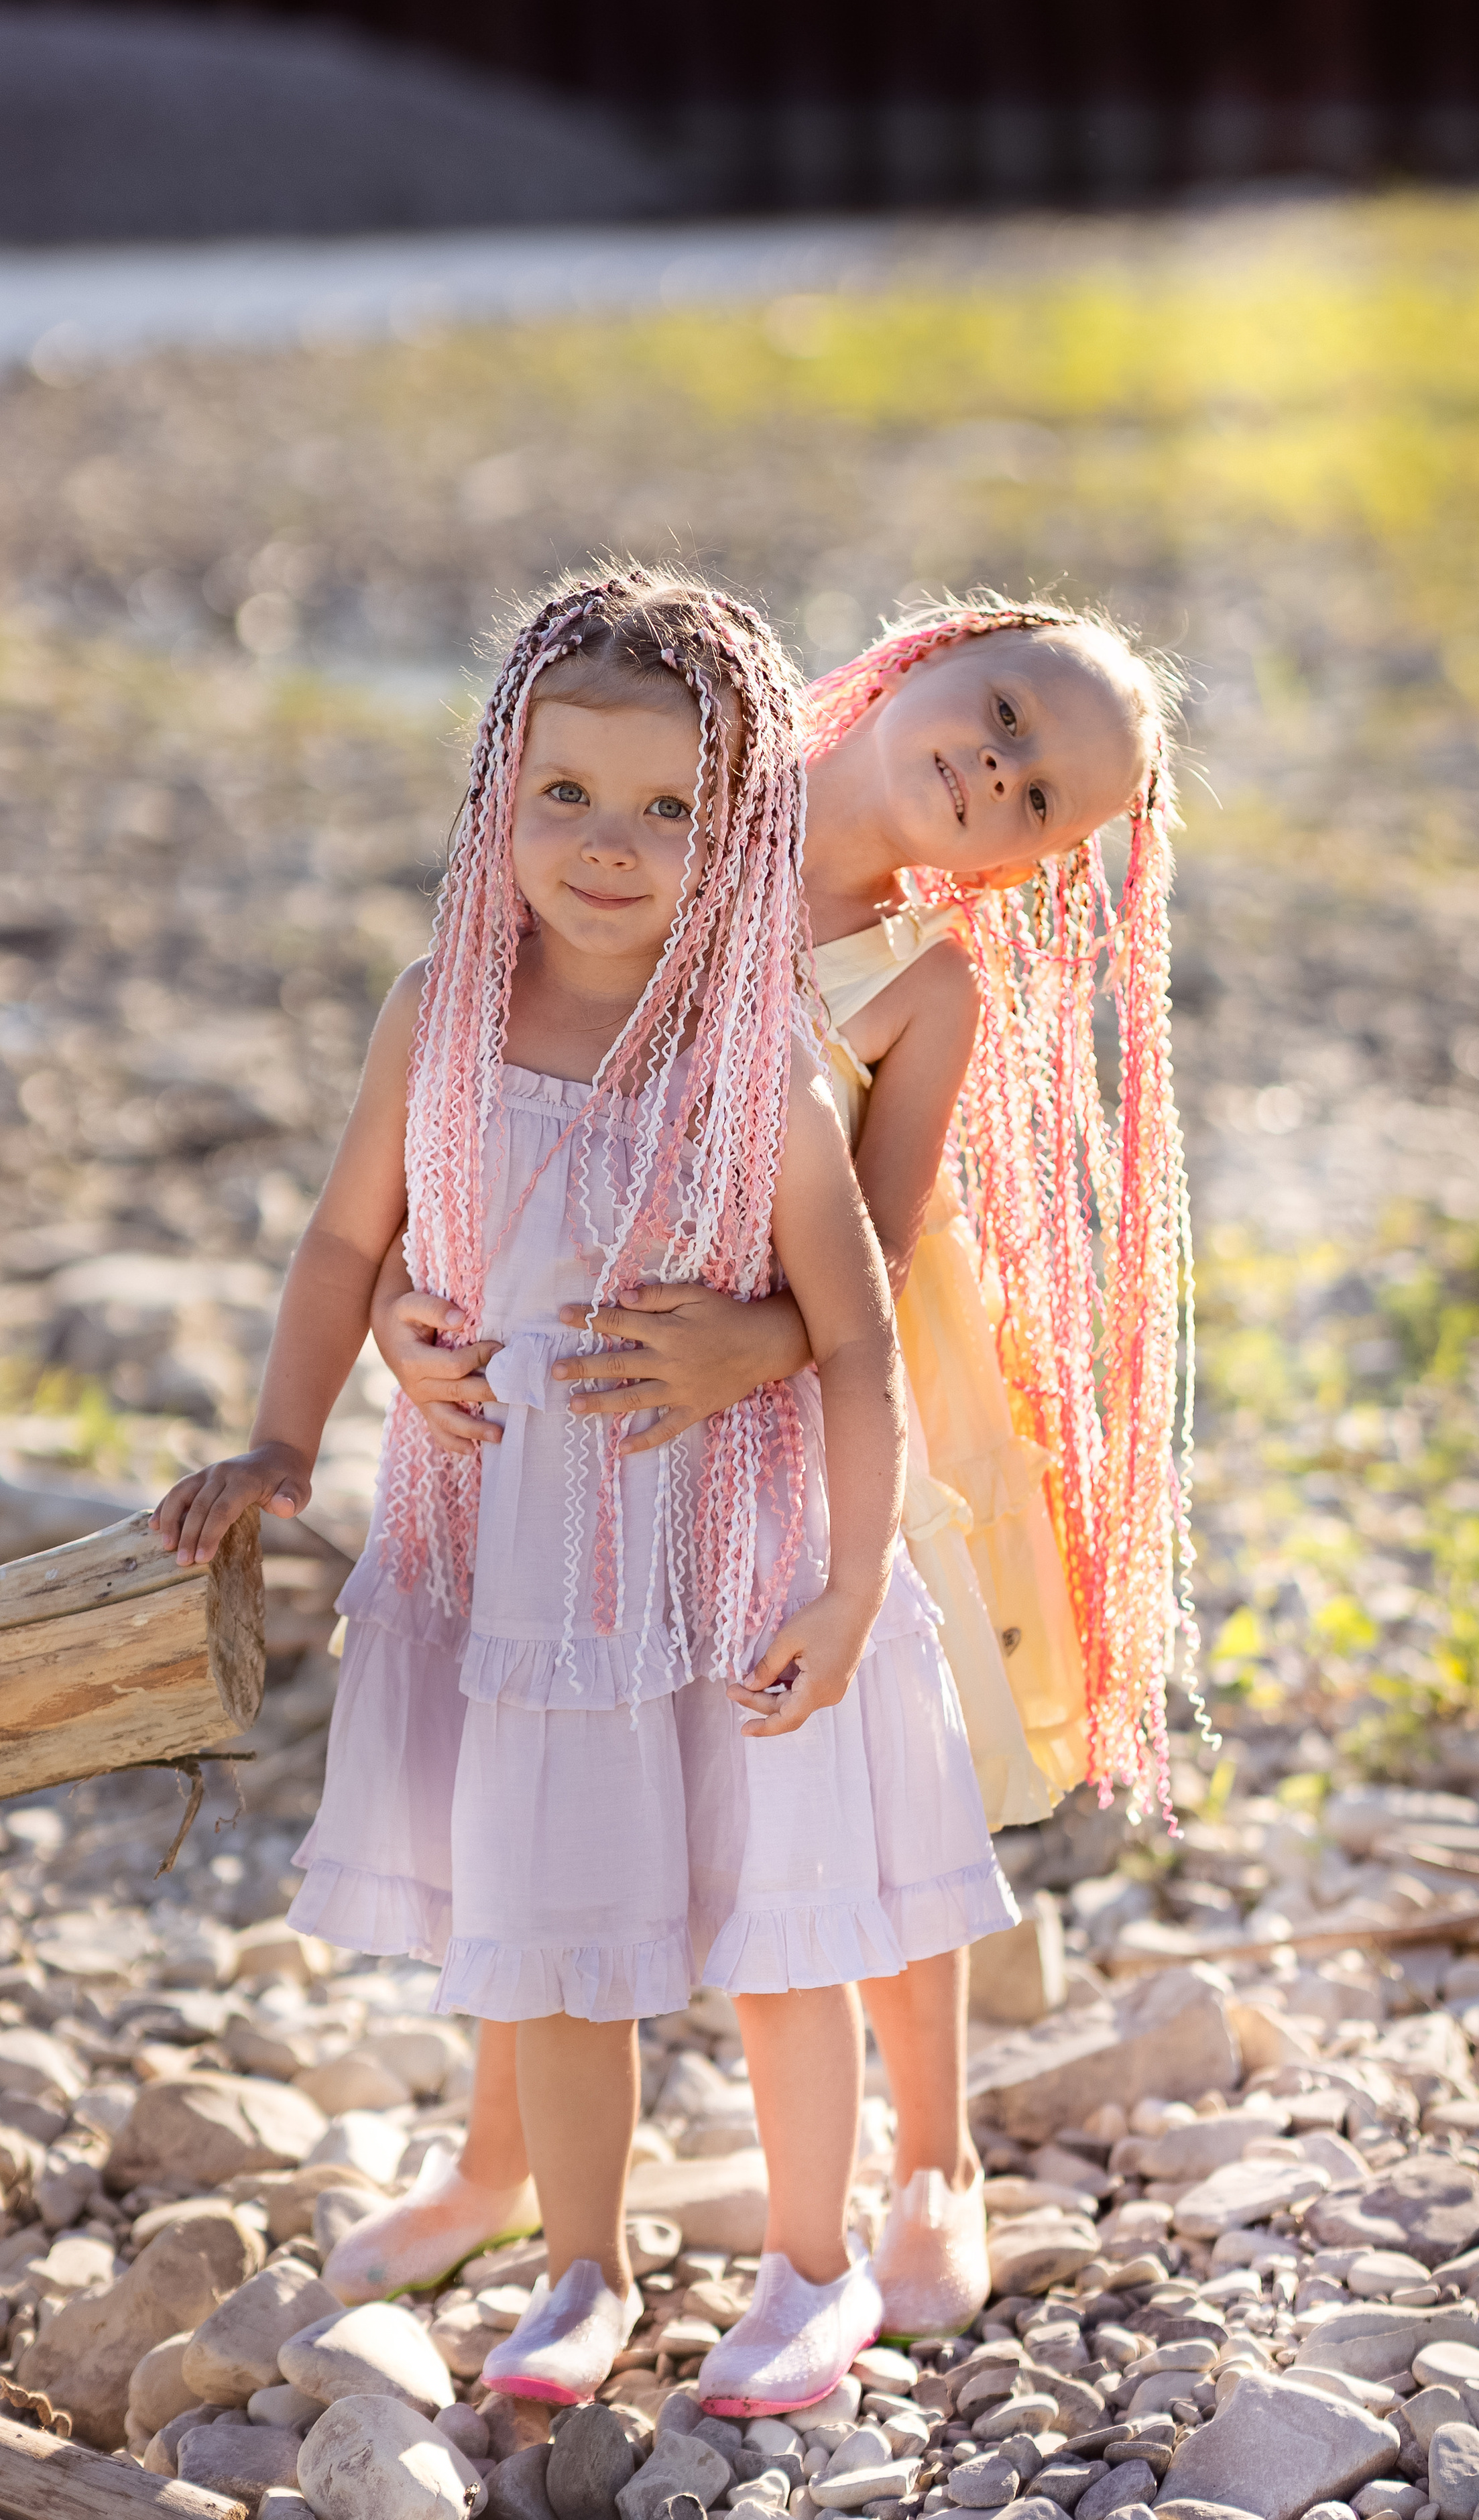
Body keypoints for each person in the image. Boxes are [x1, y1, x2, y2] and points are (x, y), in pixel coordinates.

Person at [152, 567, 1014, 2411]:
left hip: (734, 1554)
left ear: (745, 828)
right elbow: (337, 1243)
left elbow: (850, 1343)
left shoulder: (755, 1060)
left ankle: (809, 2266)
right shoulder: (438, 1015)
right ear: (497, 797)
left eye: (669, 810)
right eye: (567, 796)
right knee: (550, 1937)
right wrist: (284, 1442)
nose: (610, 847)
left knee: (785, 1935)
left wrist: (856, 1586)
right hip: (531, 1567)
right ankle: (580, 2267)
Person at [353, 596, 1199, 2342]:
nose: (1004, 768)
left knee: (865, 1794)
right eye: (1014, 710)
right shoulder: (662, 798)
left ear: (1043, 863)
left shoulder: (918, 979)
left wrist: (758, 1347)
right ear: (923, 660)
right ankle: (503, 2151)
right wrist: (384, 1305)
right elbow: (439, 1111)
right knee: (558, 1757)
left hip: (815, 1395)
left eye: (1047, 799)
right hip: (584, 1406)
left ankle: (931, 2163)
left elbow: (873, 1252)